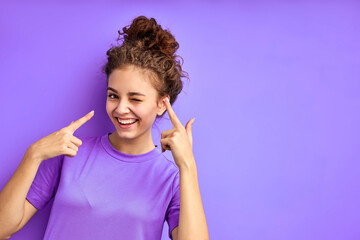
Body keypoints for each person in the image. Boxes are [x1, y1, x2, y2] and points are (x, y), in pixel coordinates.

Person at [0, 16, 209, 240]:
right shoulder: (70, 152)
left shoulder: (171, 178)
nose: (121, 108)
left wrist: (188, 166)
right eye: (113, 95)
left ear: (161, 104)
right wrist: (34, 154)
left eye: (135, 99)